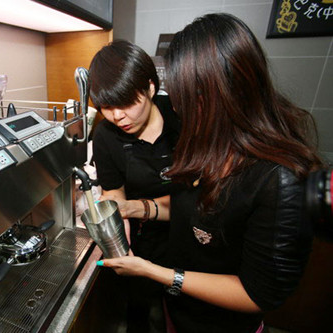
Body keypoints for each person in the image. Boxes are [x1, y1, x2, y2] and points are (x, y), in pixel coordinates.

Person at [97, 13, 324, 333]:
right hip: (180, 309)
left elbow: (258, 294)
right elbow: (194, 210)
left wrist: (156, 272)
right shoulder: (211, 145)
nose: (175, 107)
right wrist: (136, 207)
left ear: (218, 95)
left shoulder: (280, 180)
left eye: (182, 97)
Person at [89, 40, 181, 332]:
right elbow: (114, 195)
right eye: (106, 106)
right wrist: (119, 241)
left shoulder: (183, 117)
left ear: (151, 88)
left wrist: (140, 208)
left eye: (126, 103)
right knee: (140, 312)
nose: (117, 117)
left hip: (189, 235)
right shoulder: (105, 136)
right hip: (145, 240)